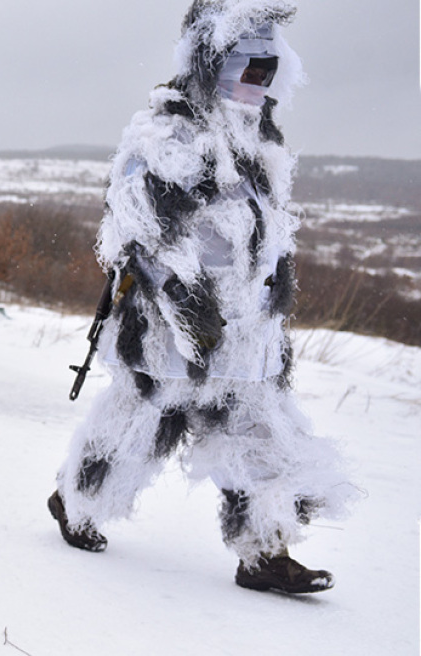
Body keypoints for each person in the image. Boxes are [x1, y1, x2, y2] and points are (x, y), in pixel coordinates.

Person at [47, 0, 355, 594]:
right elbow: (134, 229)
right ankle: (75, 502)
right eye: (249, 69)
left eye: (268, 72)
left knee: (258, 434)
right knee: (137, 428)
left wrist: (267, 309)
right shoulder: (171, 130)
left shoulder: (260, 140)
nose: (258, 84)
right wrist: (182, 301)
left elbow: (265, 234)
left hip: (246, 336)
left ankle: (264, 551)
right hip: (172, 333)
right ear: (213, 62)